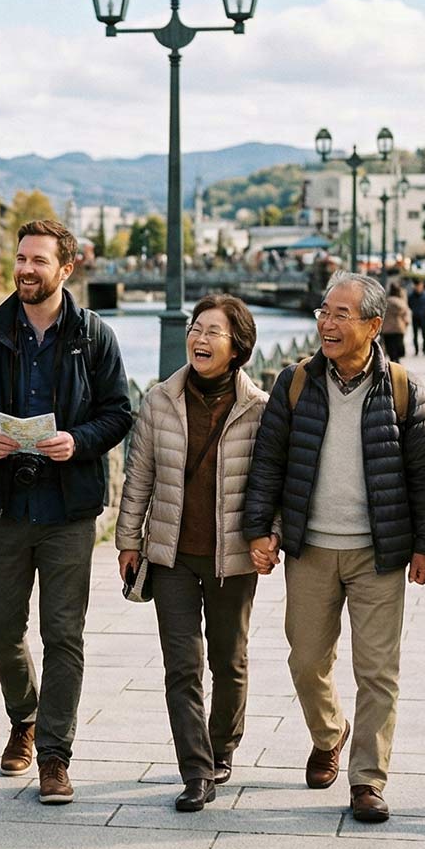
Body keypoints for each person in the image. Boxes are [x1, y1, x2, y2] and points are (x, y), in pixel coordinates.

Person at [0, 219, 133, 805]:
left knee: (64, 634)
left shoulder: (95, 336)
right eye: (20, 258)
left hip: (68, 508)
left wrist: (78, 441)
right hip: (2, 503)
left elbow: (120, 412)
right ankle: (23, 716)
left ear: (65, 269)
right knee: (0, 628)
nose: (25, 269)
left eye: (38, 261)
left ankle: (54, 755)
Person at [243, 272, 425, 824]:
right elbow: (269, 464)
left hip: (379, 553)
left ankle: (367, 779)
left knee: (378, 670)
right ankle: (329, 733)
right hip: (310, 548)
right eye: (323, 312)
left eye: (341, 314)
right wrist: (261, 529)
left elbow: (421, 474)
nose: (327, 324)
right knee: (307, 660)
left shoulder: (404, 388)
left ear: (374, 325)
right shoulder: (295, 383)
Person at [116, 295, 268, 812]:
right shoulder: (160, 399)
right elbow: (139, 475)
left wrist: (271, 536)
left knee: (229, 661)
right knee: (182, 665)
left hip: (232, 557)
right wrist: (128, 540)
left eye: (213, 332)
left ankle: (222, 746)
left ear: (237, 346)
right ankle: (196, 770)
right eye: (194, 328)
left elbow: (271, 484)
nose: (199, 339)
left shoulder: (260, 408)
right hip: (172, 554)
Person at [380, 283, 410, 364]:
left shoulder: (385, 302)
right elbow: (406, 316)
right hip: (399, 327)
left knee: (390, 346)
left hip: (387, 329)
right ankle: (397, 358)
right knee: (398, 344)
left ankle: (393, 359)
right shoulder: (402, 303)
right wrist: (406, 324)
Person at [408, 280, 425, 357]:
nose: (418, 288)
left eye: (420, 286)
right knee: (415, 335)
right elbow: (409, 304)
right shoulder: (411, 296)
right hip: (415, 317)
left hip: (423, 317)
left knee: (424, 335)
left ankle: (424, 350)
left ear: (422, 286)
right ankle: (416, 350)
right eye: (417, 286)